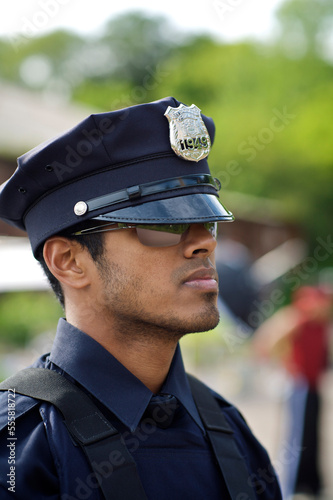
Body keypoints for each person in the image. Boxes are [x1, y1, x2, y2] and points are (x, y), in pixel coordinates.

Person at [0, 97, 282, 499]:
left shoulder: (230, 430)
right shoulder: (19, 448)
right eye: (164, 224)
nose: (203, 243)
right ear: (69, 261)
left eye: (208, 223)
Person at [253, 285, 332, 499]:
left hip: (314, 386)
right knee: (296, 439)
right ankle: (288, 488)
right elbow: (267, 341)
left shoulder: (321, 323)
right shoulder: (297, 318)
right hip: (300, 386)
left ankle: (310, 484)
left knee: (312, 436)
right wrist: (287, 365)